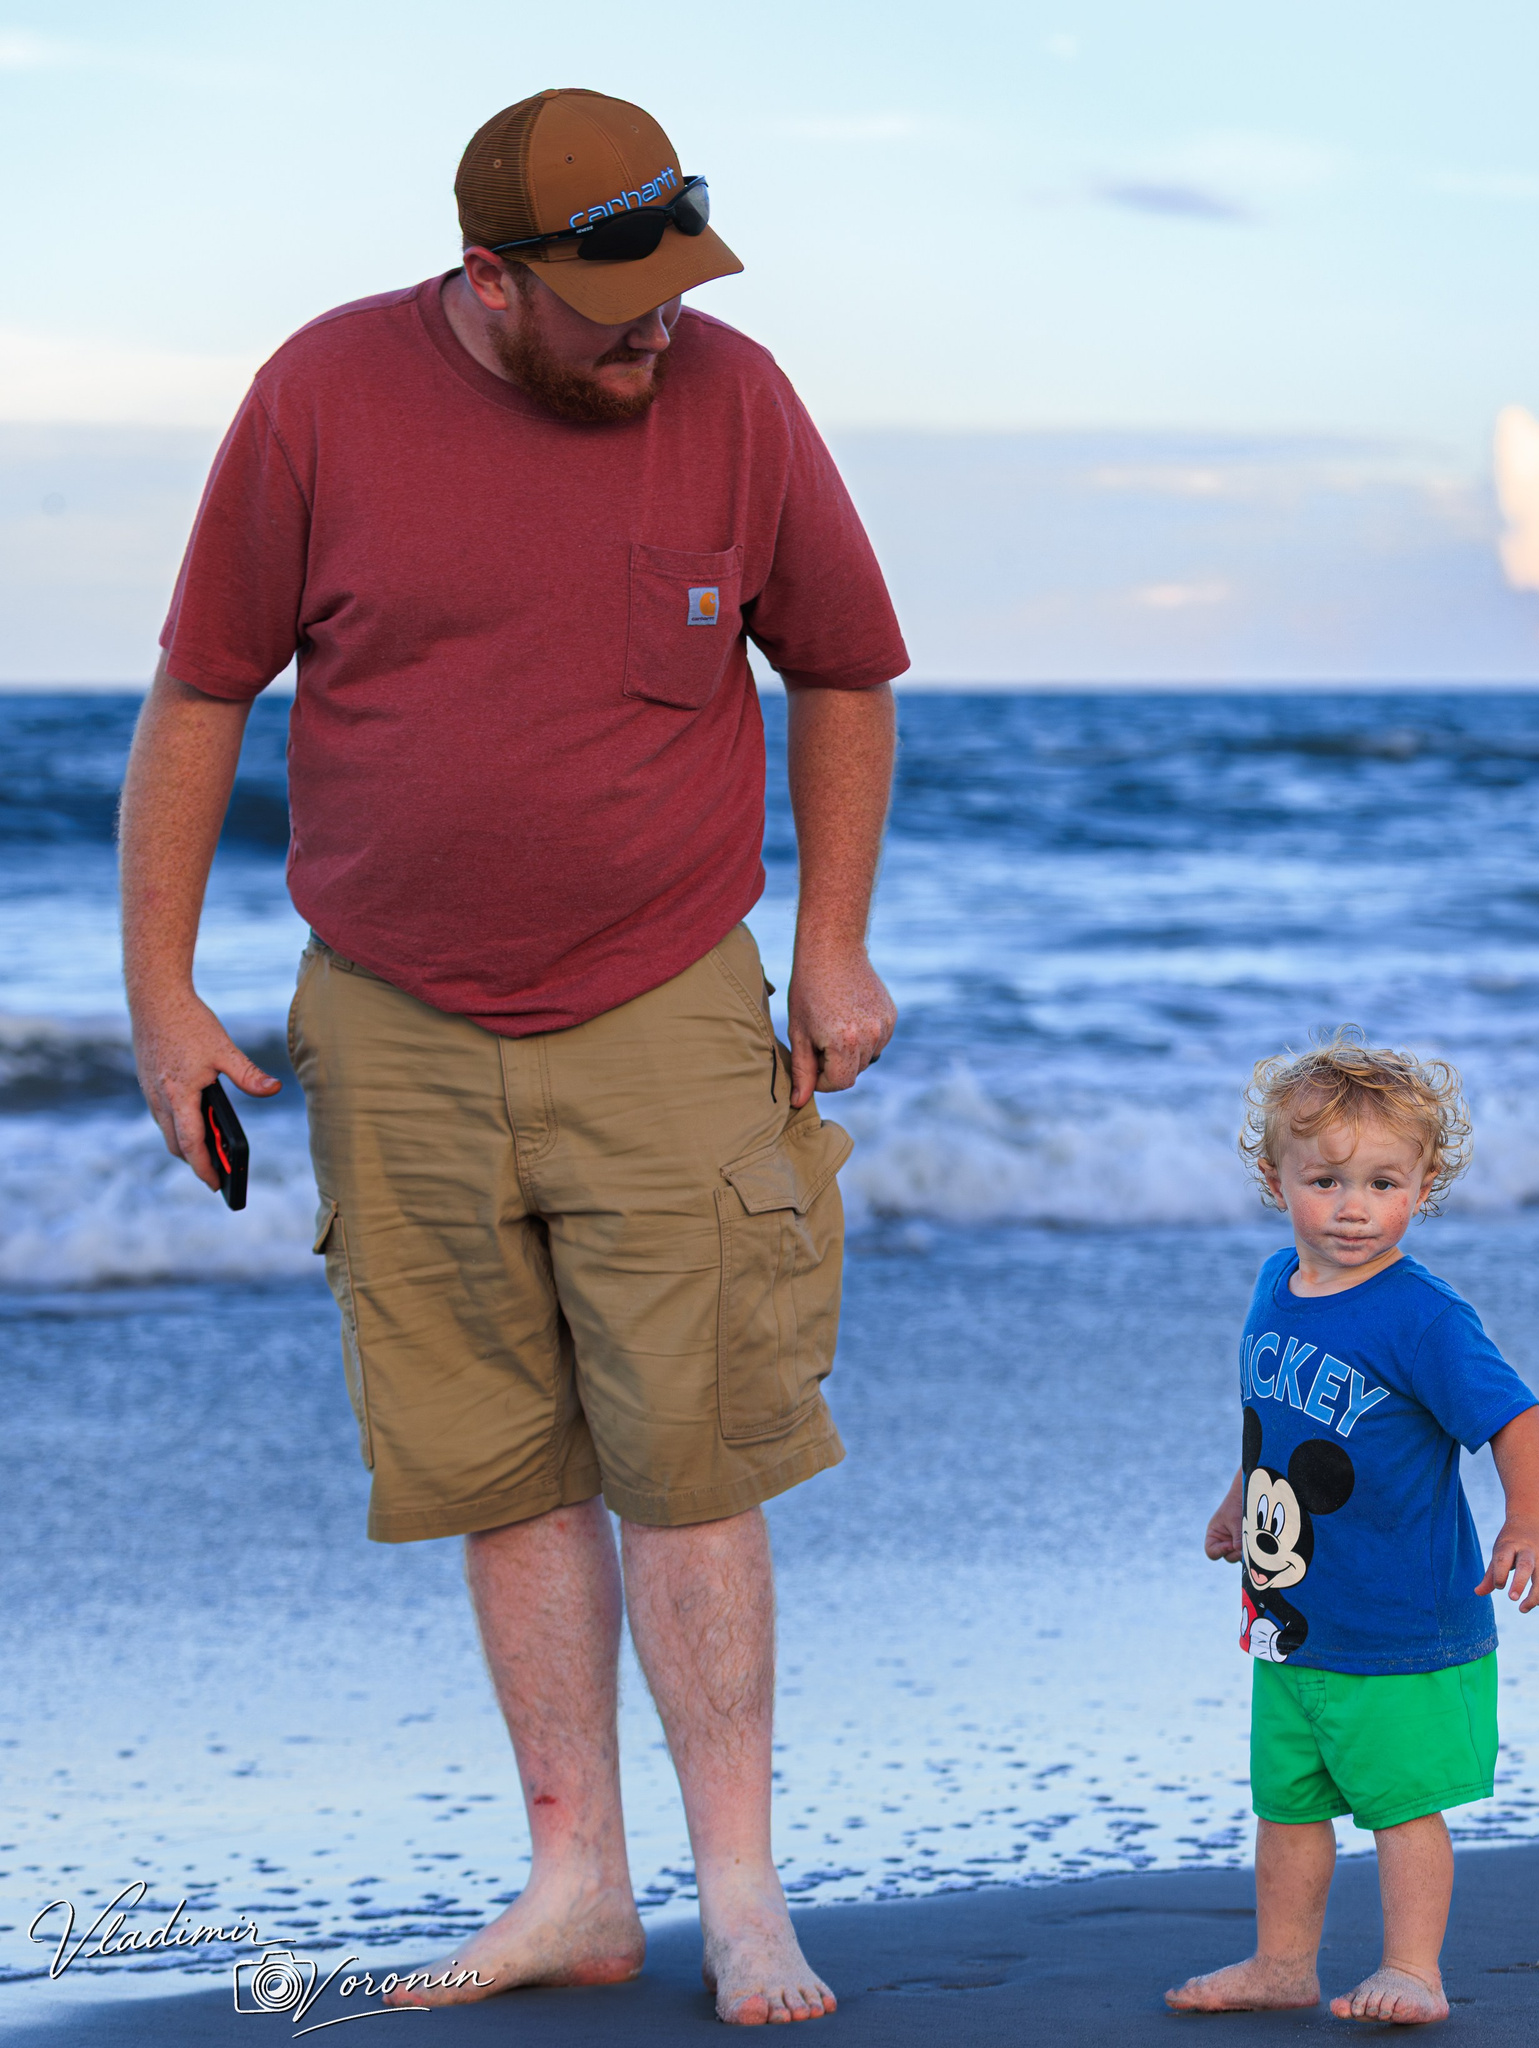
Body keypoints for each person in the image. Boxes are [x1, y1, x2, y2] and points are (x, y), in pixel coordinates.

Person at [118, 88, 907, 2026]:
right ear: (491, 276)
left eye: (675, 288)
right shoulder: (320, 393)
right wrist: (163, 996)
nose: (660, 331)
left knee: (691, 1454)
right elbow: (204, 689)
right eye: (616, 302)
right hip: (389, 1011)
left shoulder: (734, 395)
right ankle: (574, 1880)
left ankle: (741, 1895)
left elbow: (844, 667)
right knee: (498, 1466)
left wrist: (827, 946)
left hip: (659, 1001)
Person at [1167, 1034, 1539, 2026]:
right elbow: (1275, 1419)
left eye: (1383, 1181)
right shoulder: (1272, 1288)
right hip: (1291, 1617)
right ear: (1274, 1178)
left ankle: (1413, 1968)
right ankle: (1281, 1961)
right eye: (1327, 1179)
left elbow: (1515, 1417)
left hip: (1399, 1618)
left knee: (1398, 1802)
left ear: (1423, 1185)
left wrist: (1531, 1520)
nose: (1354, 1206)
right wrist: (1236, 1499)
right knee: (1287, 1803)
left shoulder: (1421, 1316)